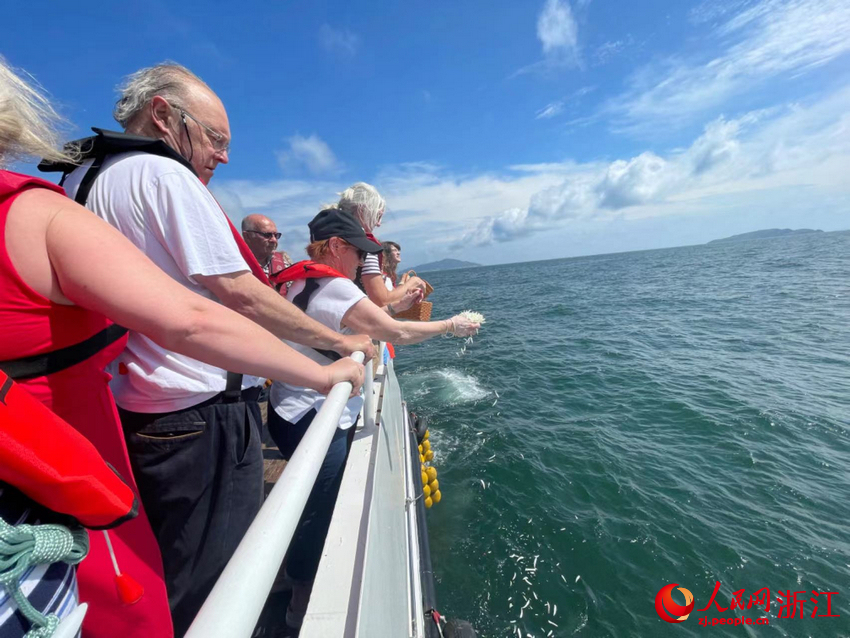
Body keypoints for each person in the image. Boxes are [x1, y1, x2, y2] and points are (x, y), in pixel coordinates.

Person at [0, 58, 363, 638]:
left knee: (169, 570)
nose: (223, 156)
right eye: (216, 138)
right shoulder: (162, 176)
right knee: (216, 586)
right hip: (201, 418)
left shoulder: (80, 181)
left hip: (134, 416)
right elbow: (232, 296)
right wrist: (331, 353)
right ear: (163, 115)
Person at [269, 208, 479, 628]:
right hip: (313, 416)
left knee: (313, 500)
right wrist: (450, 326)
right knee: (318, 511)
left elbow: (375, 319)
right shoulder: (335, 287)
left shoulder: (302, 283)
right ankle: (299, 602)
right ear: (335, 247)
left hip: (285, 409)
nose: (363, 261)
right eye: (358, 251)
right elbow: (394, 331)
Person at [331, 182, 426, 306]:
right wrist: (413, 282)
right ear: (362, 211)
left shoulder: (331, 240)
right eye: (378, 216)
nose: (378, 223)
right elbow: (382, 300)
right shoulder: (365, 247)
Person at [241, 213, 292, 283]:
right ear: (247, 236)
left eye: (276, 235)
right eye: (267, 235)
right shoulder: (234, 265)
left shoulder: (285, 263)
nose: (274, 240)